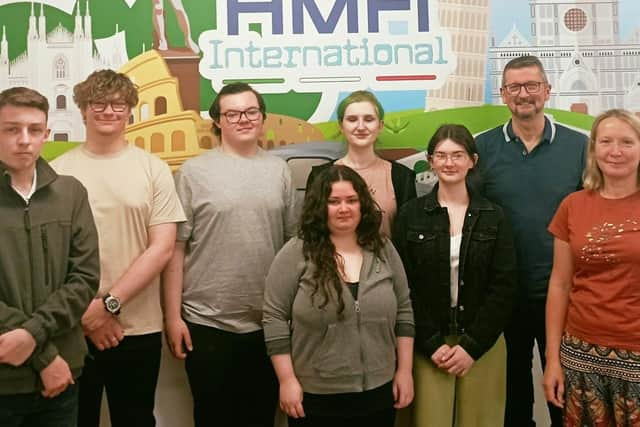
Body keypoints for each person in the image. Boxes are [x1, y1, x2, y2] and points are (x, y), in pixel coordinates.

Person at [51, 70, 186, 427]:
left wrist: (109, 305)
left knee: (136, 419)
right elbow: (49, 258)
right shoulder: (57, 172)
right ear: (82, 110)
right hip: (72, 327)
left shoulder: (154, 170)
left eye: (118, 104)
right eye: (98, 103)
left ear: (129, 111)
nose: (108, 111)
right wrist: (86, 316)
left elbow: (162, 249)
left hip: (138, 328)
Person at [162, 82, 297, 427]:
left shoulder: (279, 171)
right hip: (206, 322)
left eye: (251, 112)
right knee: (212, 417)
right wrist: (173, 317)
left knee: (260, 418)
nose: (243, 119)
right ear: (218, 121)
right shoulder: (193, 173)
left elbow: (293, 245)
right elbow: (176, 248)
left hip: (268, 323)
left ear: (262, 118)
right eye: (233, 113)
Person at [474, 55, 587, 427]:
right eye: (515, 88)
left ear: (547, 90)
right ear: (503, 95)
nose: (524, 95)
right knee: (512, 401)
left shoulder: (579, 147)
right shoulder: (482, 150)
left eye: (532, 86)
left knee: (566, 399)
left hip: (565, 297)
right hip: (504, 297)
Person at [264, 164, 415, 427]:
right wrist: (286, 380)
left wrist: (404, 371)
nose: (343, 208)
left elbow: (404, 310)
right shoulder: (297, 251)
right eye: (334, 201)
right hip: (315, 396)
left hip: (379, 392)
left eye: (351, 200)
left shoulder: (383, 249)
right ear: (320, 207)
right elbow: (274, 316)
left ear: (363, 204)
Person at [392, 124, 517, 426]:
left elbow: (505, 286)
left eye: (458, 155)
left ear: (472, 161)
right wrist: (432, 342)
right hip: (427, 344)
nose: (449, 163)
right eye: (441, 155)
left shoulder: (494, 215)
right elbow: (401, 285)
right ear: (431, 161)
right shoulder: (411, 215)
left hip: (481, 344)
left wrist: (472, 346)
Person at [0, 87, 100, 426]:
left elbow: (84, 279)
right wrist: (43, 356)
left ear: (46, 133)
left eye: (34, 129)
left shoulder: (71, 194)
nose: (24, 140)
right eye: (12, 129)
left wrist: (33, 338)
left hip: (61, 381)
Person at [543, 109, 640, 425]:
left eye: (627, 142)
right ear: (594, 149)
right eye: (606, 141)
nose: (615, 151)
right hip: (580, 355)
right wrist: (552, 360)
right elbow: (560, 285)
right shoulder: (573, 205)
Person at [306, 90, 416, 238]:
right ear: (341, 126)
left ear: (380, 125)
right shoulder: (319, 177)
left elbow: (408, 238)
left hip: (387, 260)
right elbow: (313, 233)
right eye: (352, 119)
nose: (361, 126)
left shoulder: (402, 177)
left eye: (369, 119)